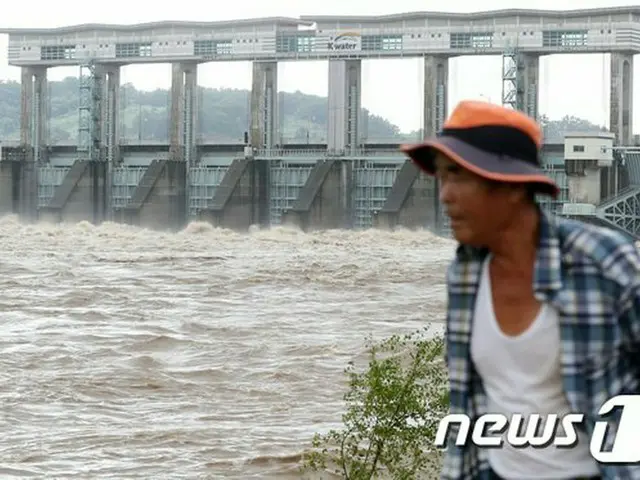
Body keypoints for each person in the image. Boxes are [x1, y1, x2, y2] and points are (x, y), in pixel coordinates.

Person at [400, 100, 640, 480]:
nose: (444, 195)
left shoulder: (602, 263)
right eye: (441, 177)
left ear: (510, 186)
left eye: (458, 176)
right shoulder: (465, 274)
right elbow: (466, 404)